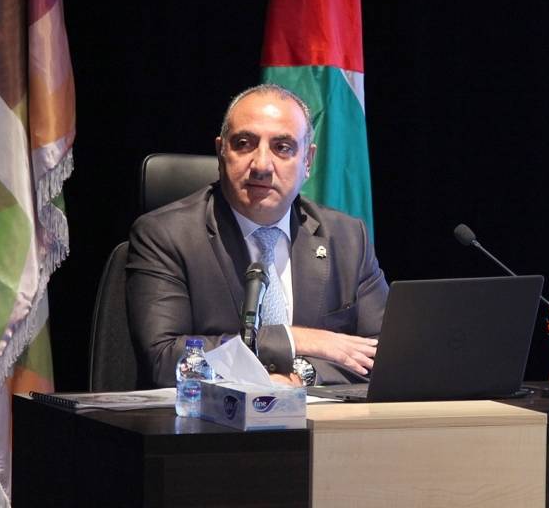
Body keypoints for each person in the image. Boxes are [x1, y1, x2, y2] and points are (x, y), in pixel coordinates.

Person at [126, 83, 388, 388]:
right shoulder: (166, 235)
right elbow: (163, 359)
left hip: (319, 417)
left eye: (282, 147)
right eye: (244, 143)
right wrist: (292, 339)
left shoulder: (346, 238)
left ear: (307, 161)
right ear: (221, 152)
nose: (262, 165)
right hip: (208, 418)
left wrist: (302, 373)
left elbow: (385, 354)